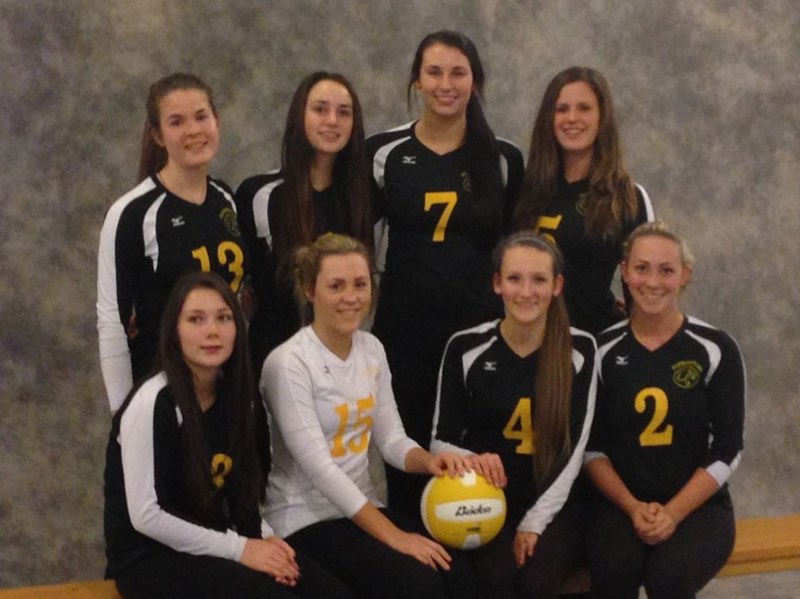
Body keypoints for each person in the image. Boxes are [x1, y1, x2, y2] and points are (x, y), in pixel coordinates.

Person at [103, 271, 351, 599]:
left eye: (224, 318)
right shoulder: (152, 403)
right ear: (174, 332)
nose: (212, 331)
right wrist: (241, 549)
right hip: (149, 557)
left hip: (214, 542)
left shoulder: (238, 398)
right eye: (196, 319)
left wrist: (264, 539)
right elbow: (147, 516)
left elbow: (241, 496)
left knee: (329, 593)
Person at [261, 233, 476, 599]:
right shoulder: (289, 362)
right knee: (417, 583)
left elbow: (391, 440)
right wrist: (396, 538)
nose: (351, 297)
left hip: (361, 509)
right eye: (336, 286)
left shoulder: (371, 348)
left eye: (360, 284)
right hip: (304, 519)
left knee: (460, 574)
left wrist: (430, 461)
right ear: (311, 291)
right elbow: (323, 472)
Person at [367, 30, 524, 518]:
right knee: (411, 458)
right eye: (434, 72)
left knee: (480, 462)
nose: (445, 84)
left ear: (475, 81)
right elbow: (353, 240)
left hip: (479, 335)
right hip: (405, 333)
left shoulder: (502, 158)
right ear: (417, 79)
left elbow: (519, 255)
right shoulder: (383, 152)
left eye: (458, 72)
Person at [431, 232, 597, 599]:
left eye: (539, 280)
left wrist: (534, 523)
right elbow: (440, 441)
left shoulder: (581, 349)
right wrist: (474, 461)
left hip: (555, 501)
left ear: (557, 286)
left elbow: (575, 448)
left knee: (537, 585)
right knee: (496, 580)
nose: (526, 292)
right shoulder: (465, 347)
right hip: (488, 496)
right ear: (497, 283)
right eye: (514, 279)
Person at [584, 221, 745, 599]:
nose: (652, 281)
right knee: (612, 568)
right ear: (624, 271)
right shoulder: (602, 349)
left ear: (684, 276)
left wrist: (673, 513)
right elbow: (592, 448)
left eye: (666, 270)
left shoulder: (716, 348)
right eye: (641, 268)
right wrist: (632, 506)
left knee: (669, 576)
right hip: (621, 503)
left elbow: (728, 449)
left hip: (699, 506)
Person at [97, 72, 249, 412]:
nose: (193, 130)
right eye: (177, 121)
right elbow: (112, 322)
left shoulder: (226, 198)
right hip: (162, 394)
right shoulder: (132, 213)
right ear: (158, 135)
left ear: (216, 121)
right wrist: (125, 415)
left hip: (226, 386)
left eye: (201, 116)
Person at [235, 71, 372, 371]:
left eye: (343, 112)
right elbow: (235, 279)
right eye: (320, 109)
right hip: (271, 360)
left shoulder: (362, 197)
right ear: (300, 115)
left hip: (340, 362)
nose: (332, 121)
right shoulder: (259, 195)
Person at [514, 66, 655, 335]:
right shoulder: (525, 190)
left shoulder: (626, 197)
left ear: (602, 118)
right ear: (548, 118)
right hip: (529, 343)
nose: (572, 118)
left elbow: (642, 287)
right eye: (562, 109)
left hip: (595, 343)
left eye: (584, 108)